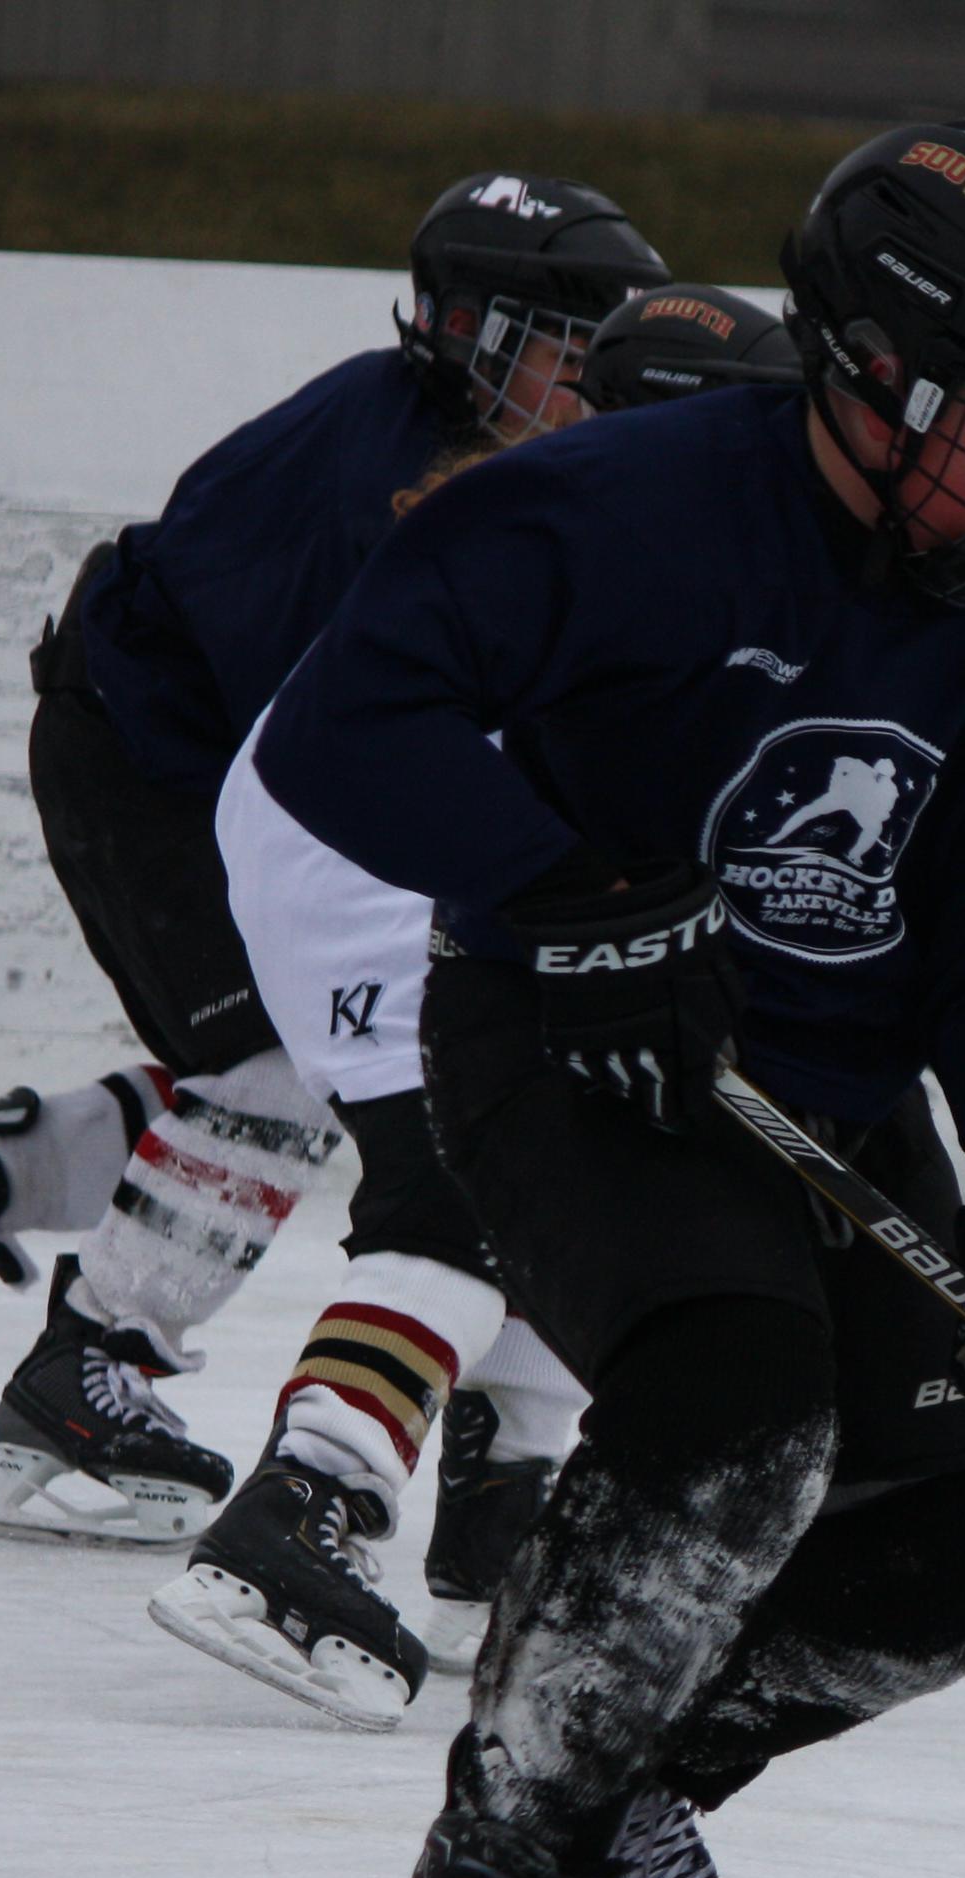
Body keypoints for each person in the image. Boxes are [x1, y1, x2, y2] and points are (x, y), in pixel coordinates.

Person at [246, 122, 965, 1878]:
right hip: (574, 1054)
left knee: (933, 1573)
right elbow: (341, 727)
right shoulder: (614, 513)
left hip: (828, 1091)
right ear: (869, 376)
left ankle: (617, 1782)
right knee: (736, 1408)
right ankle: (487, 1871)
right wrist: (564, 890)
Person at [0, 174, 670, 1564]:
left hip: (201, 767)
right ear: (473, 330)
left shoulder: (450, 445)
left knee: (346, 1064)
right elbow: (335, 761)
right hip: (156, 775)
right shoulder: (385, 486)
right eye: (565, 344)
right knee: (286, 1075)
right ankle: (89, 1372)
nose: (590, 378)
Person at [151, 283, 808, 1732]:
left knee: (593, 1156)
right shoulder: (584, 537)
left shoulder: (651, 529)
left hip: (396, 835)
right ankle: (301, 1510)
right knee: (465, 1188)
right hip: (360, 848)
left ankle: (496, 1519)